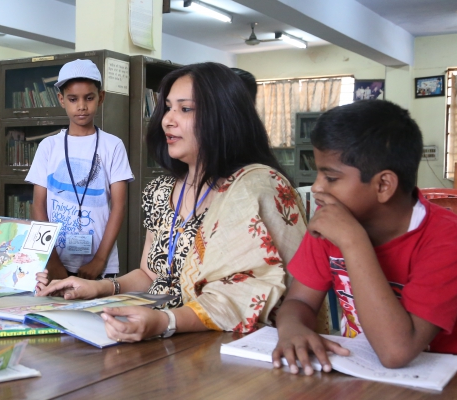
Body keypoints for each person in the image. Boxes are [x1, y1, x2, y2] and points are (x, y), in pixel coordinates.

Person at [38, 62, 306, 342]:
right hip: (159, 339)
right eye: (167, 107)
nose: (168, 119)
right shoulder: (161, 192)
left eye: (185, 109)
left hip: (225, 348)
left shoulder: (256, 189)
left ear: (224, 116)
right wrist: (100, 288)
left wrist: (165, 321)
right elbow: (149, 274)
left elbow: (246, 298)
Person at [273, 100, 457, 374]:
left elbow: (396, 352)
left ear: (383, 185)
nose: (317, 186)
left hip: (451, 378)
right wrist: (291, 327)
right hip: (364, 372)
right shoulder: (331, 223)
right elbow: (300, 301)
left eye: (331, 177)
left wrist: (353, 241)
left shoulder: (449, 238)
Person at [26, 59, 134, 281]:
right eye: (73, 99)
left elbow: (119, 206)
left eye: (89, 98)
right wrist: (51, 260)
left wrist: (100, 261)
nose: (81, 106)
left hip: (101, 268)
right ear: (61, 100)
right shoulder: (49, 146)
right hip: (55, 262)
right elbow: (38, 207)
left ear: (101, 98)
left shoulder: (113, 145)